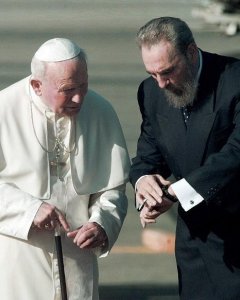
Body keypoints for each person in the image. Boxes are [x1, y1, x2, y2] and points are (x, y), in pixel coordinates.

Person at [0, 38, 130, 300]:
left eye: (84, 85)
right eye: (68, 89)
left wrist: (102, 223)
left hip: (77, 257)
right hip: (20, 257)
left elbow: (113, 188)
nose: (79, 97)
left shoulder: (100, 110)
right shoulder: (4, 109)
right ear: (37, 85)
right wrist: (29, 209)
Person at [129, 17, 240, 300]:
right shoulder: (151, 92)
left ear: (191, 52)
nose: (162, 83)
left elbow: (235, 154)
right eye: (152, 73)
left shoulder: (234, 81)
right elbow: (149, 155)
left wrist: (175, 191)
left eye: (167, 71)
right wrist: (144, 184)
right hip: (195, 245)